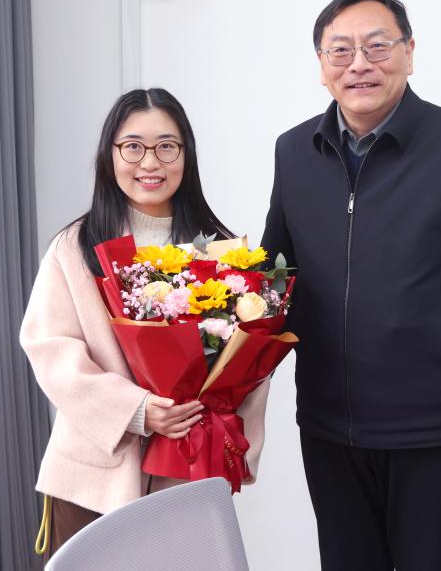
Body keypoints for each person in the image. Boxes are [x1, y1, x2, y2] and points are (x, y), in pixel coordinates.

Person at [261, 0, 441, 570]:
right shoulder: (294, 151)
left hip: (434, 435)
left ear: (409, 53)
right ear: (322, 66)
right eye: (340, 50)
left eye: (377, 46)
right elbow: (275, 283)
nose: (359, 64)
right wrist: (215, 366)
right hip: (329, 429)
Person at [20, 88, 271, 558]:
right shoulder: (75, 247)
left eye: (166, 146)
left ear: (186, 155)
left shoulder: (224, 252)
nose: (150, 162)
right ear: (110, 155)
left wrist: (231, 447)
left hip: (185, 474)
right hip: (93, 478)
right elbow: (52, 351)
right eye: (133, 146)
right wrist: (136, 410)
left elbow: (252, 364)